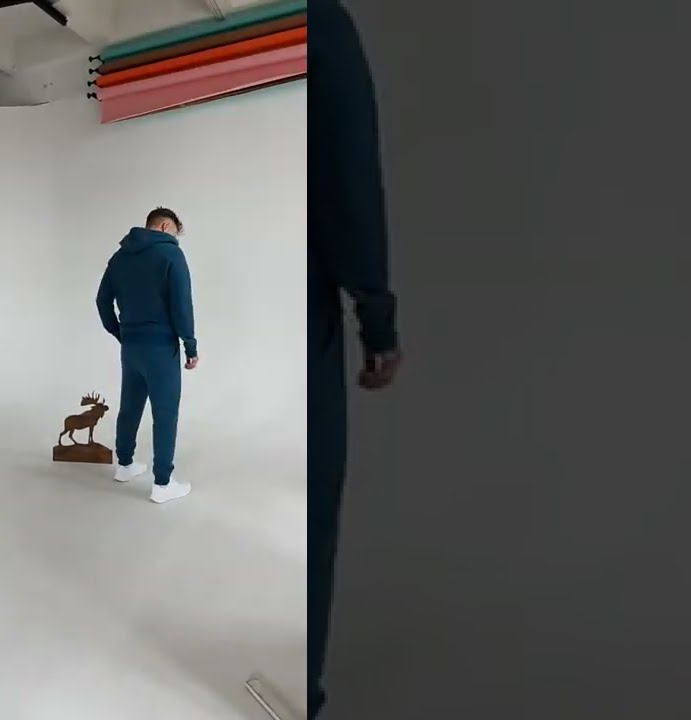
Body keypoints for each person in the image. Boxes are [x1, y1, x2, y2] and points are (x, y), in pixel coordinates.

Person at [311, 1, 404, 717]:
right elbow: (349, 179)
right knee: (309, 511)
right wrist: (376, 317)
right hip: (300, 310)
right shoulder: (315, 18)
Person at [94, 207, 198, 504]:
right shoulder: (171, 255)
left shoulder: (119, 257)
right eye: (175, 234)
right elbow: (182, 305)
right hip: (161, 348)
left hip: (131, 347)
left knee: (130, 405)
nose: (175, 240)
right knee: (165, 413)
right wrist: (190, 346)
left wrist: (121, 332)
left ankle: (125, 465)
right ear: (164, 226)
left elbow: (102, 301)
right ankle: (162, 483)